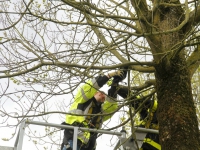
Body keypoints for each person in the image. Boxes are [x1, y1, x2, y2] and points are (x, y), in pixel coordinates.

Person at [61, 69, 127, 150]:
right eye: (101, 93)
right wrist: (108, 76)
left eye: (104, 96)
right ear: (95, 93)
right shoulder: (82, 100)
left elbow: (111, 106)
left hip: (89, 146)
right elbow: (89, 87)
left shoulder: (101, 112)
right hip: (73, 140)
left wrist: (114, 85)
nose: (103, 96)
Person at [116, 85, 160, 150]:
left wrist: (120, 90)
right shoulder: (150, 119)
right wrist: (120, 90)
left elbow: (142, 101)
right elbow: (139, 105)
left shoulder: (160, 108)